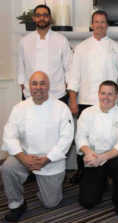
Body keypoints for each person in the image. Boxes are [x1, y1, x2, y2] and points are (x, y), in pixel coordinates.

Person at [1, 71, 74, 222]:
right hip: (25, 156)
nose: (38, 87)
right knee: (7, 168)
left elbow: (66, 139)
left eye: (42, 83)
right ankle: (17, 204)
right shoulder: (19, 108)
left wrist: (46, 159)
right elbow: (9, 135)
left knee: (50, 203)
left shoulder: (61, 108)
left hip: (50, 159)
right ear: (29, 86)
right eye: (34, 83)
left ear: (48, 86)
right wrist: (23, 157)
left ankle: (44, 186)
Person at [67, 10, 118, 184]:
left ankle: (110, 168)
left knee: (113, 136)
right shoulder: (81, 48)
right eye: (96, 22)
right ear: (92, 24)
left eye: (103, 22)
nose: (100, 25)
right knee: (84, 138)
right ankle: (83, 171)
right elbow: (74, 76)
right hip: (86, 100)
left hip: (111, 101)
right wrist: (73, 99)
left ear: (107, 25)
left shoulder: (116, 47)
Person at [75, 80, 118, 216]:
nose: (106, 97)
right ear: (98, 94)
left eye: (110, 94)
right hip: (93, 158)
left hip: (112, 158)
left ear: (117, 96)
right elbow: (80, 137)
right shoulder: (87, 113)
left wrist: (103, 157)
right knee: (87, 202)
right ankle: (102, 182)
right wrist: (89, 153)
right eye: (103, 93)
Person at [17, 4, 72, 104]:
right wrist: (24, 87)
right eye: (38, 15)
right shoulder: (24, 41)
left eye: (45, 15)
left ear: (50, 18)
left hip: (56, 94)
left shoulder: (61, 40)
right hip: (31, 95)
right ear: (33, 18)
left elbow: (69, 68)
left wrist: (67, 88)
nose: (41, 18)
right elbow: (21, 69)